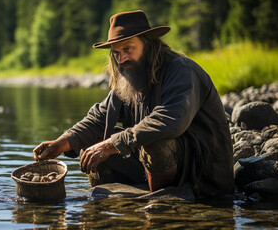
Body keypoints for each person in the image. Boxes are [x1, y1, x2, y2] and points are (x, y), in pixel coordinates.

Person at [33, 10, 234, 198]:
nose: (122, 58)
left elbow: (172, 120)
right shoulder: (132, 76)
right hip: (164, 168)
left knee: (150, 140)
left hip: (203, 176)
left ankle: (163, 203)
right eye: (116, 52)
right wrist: (63, 142)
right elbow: (98, 118)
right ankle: (121, 207)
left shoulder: (181, 71)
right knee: (92, 148)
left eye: (128, 49)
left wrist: (112, 144)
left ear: (148, 44)